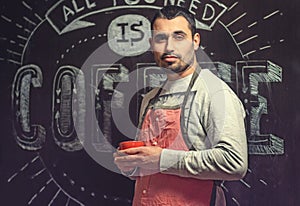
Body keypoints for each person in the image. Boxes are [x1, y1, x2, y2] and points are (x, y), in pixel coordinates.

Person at [114, 5, 248, 206]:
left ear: (195, 41)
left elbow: (234, 163)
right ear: (152, 44)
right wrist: (131, 164)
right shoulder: (150, 98)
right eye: (161, 38)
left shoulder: (215, 92)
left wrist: (161, 160)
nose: (169, 47)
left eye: (178, 37)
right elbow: (147, 168)